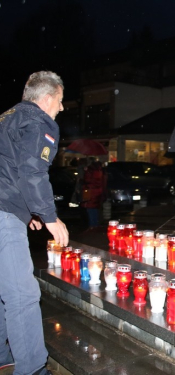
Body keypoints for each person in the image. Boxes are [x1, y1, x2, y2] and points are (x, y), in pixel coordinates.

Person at [0, 71, 69, 374]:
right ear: (48, 98)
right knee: (23, 295)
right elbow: (32, 171)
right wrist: (49, 216)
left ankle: (4, 356)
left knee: (4, 291)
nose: (62, 108)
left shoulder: (7, 118)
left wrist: (26, 212)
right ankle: (31, 368)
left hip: (6, 209)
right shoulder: (38, 122)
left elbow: (7, 170)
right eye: (61, 101)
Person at [80, 158, 106, 228]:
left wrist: (85, 172)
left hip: (91, 193)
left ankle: (93, 227)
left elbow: (87, 181)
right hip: (97, 192)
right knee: (94, 210)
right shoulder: (99, 170)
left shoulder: (90, 171)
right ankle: (95, 226)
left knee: (91, 211)